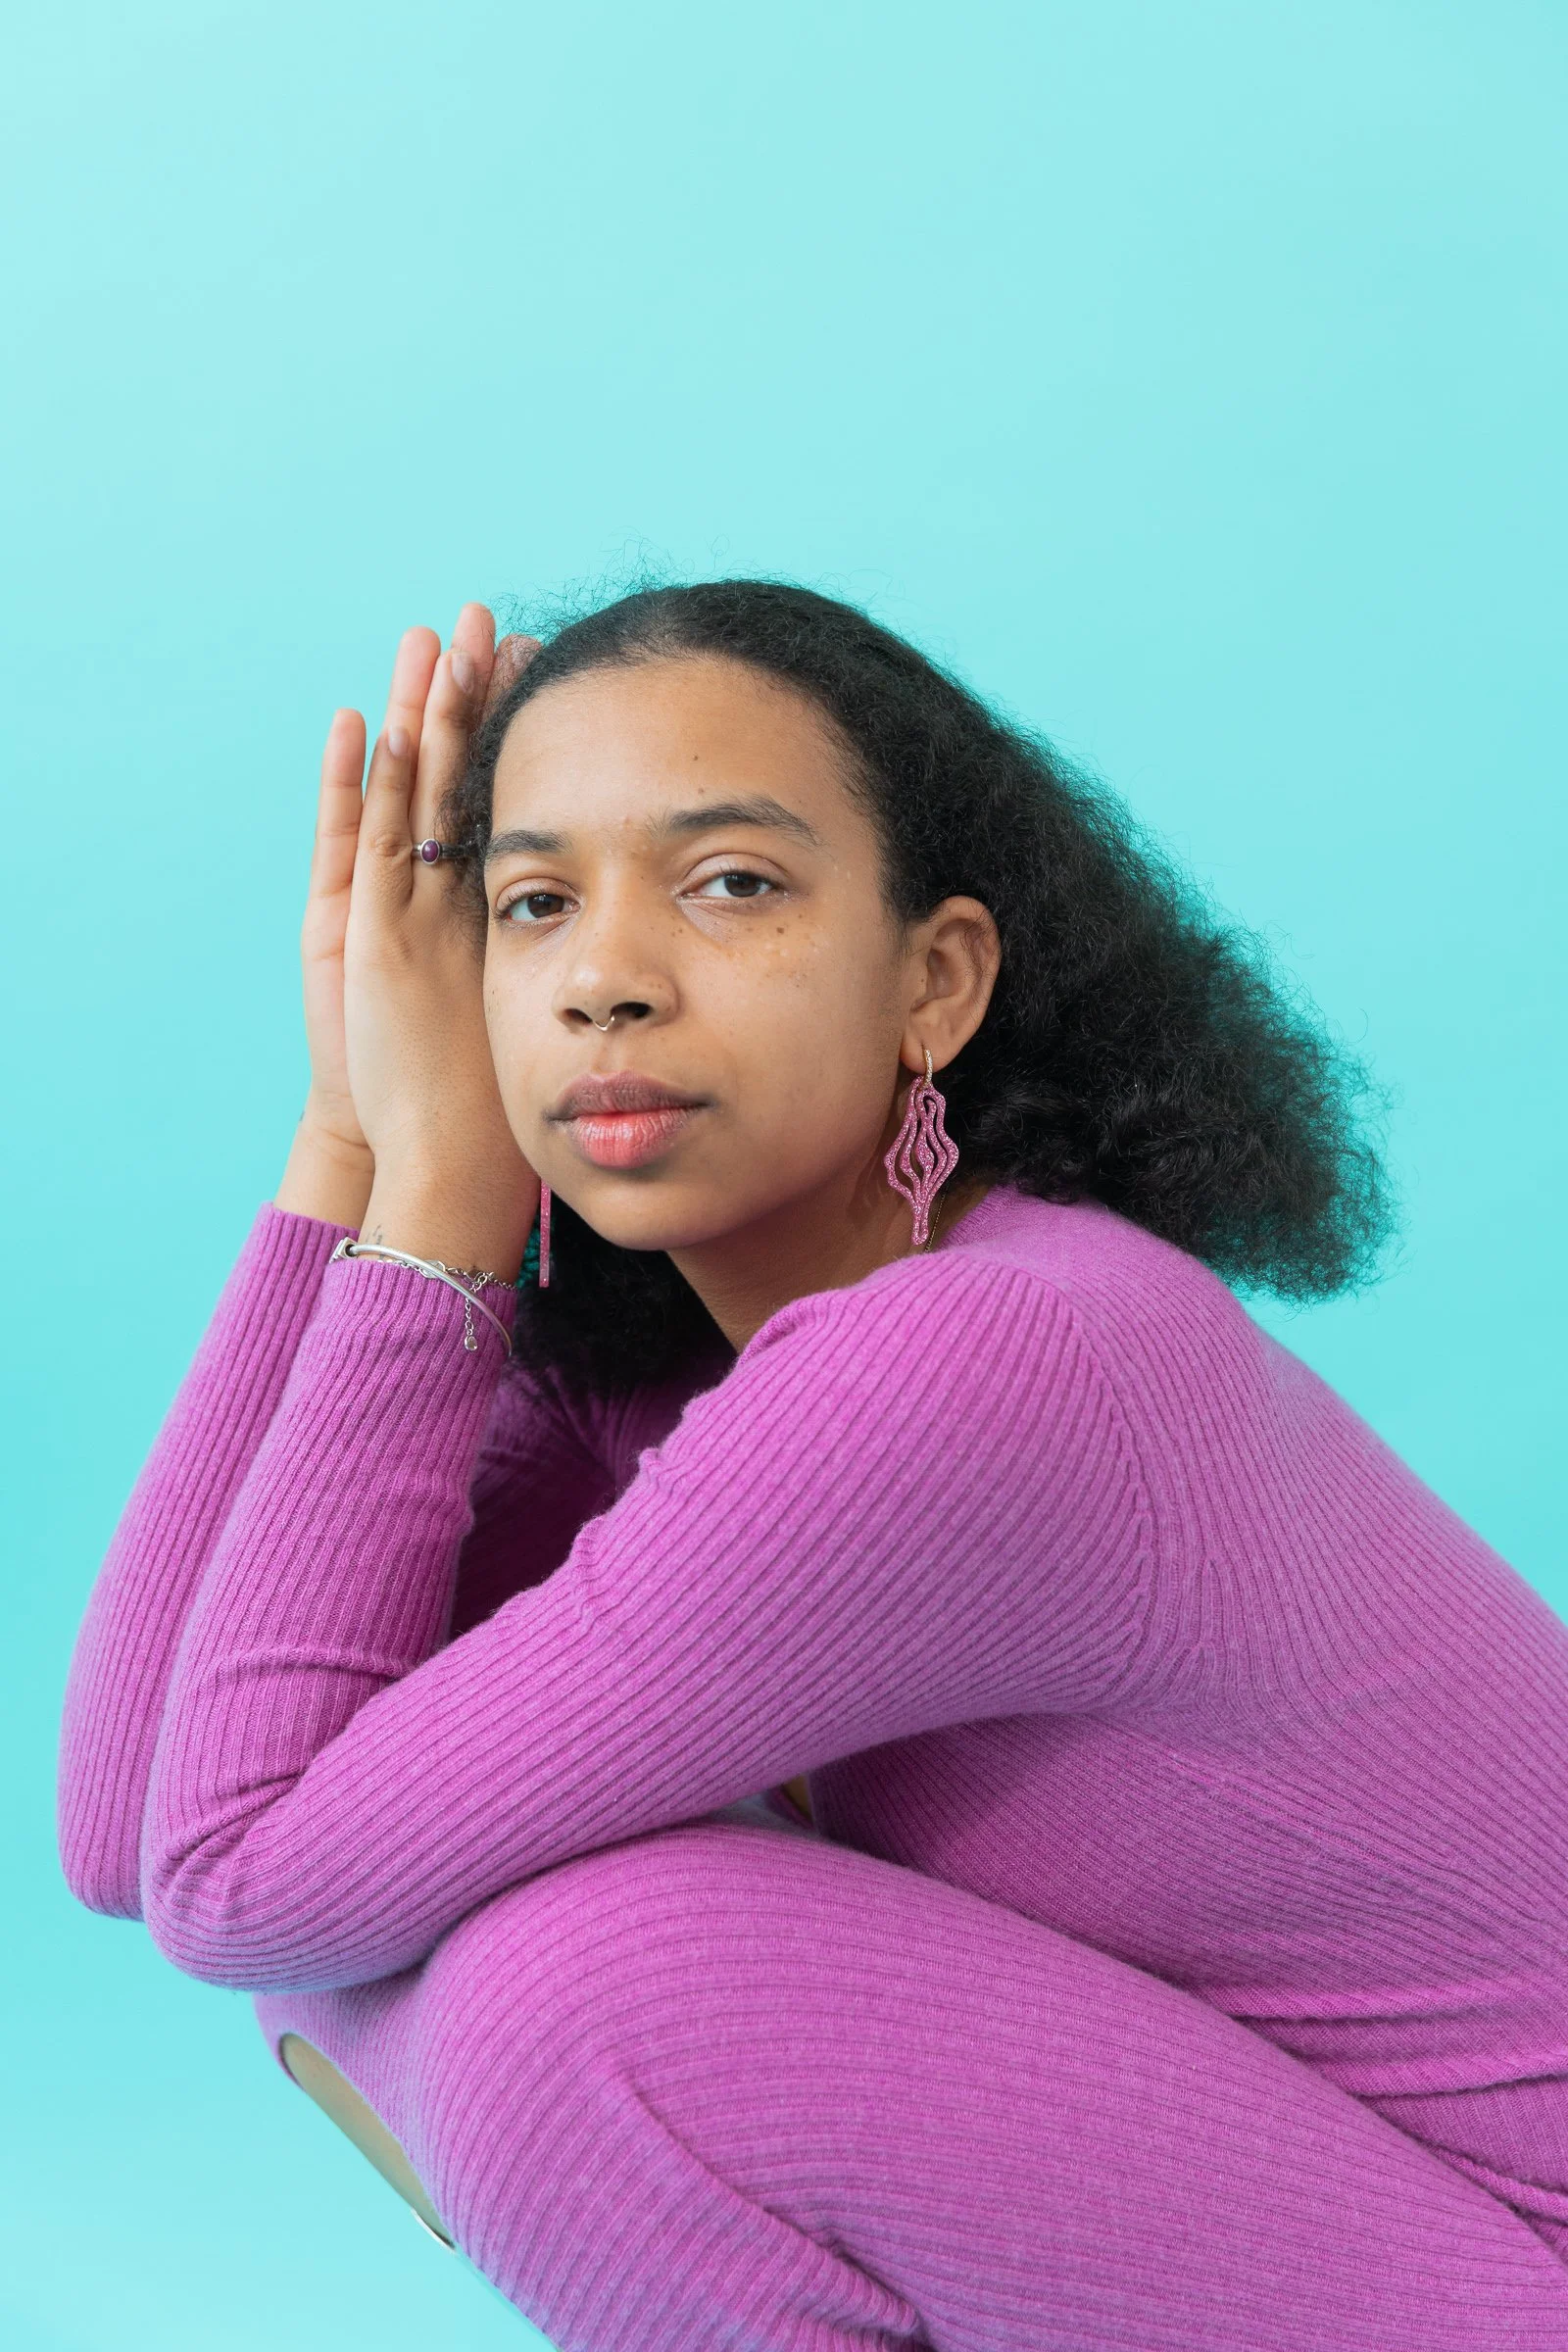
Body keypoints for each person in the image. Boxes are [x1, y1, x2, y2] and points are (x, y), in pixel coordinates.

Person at [58, 581, 1568, 2351]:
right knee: (384, 1913)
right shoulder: (688, 1367)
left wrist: (446, 1198)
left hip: (1513, 2261)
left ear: (935, 984)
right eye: (535, 907)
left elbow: (231, 1868)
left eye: (730, 884)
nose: (605, 981)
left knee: (577, 1988)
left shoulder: (980, 1358)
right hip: (1353, 2239)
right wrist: (349, 1132)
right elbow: (137, 1833)